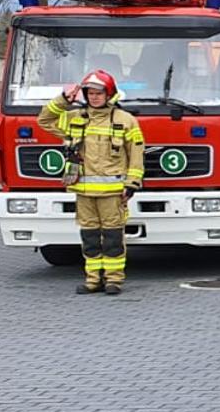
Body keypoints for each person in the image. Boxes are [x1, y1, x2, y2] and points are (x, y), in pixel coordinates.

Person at [41, 70, 144, 295]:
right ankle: (92, 280)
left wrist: (132, 183)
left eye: (99, 93)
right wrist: (63, 100)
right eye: (90, 93)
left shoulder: (125, 121)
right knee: (89, 237)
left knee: (113, 237)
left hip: (113, 192)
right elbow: (44, 120)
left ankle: (113, 280)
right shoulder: (74, 117)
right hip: (84, 192)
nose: (94, 97)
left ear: (109, 94)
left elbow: (136, 155)